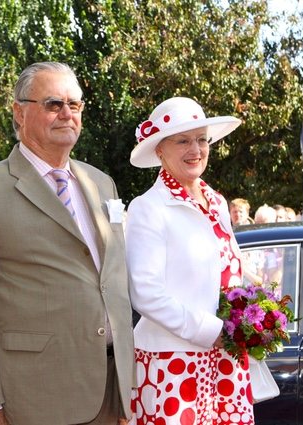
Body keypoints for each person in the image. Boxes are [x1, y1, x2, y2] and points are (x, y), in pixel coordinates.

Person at [0, 61, 134, 425]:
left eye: (74, 105)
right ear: (19, 112)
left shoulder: (101, 183)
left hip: (110, 390)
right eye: (52, 104)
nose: (66, 114)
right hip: (32, 397)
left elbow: (111, 281)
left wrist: (126, 388)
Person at [126, 97, 254, 424]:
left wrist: (256, 314)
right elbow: (145, 293)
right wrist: (213, 331)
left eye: (201, 139)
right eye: (183, 140)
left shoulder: (217, 201)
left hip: (225, 359)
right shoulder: (148, 207)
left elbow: (227, 274)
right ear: (159, 150)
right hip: (173, 365)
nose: (195, 149)